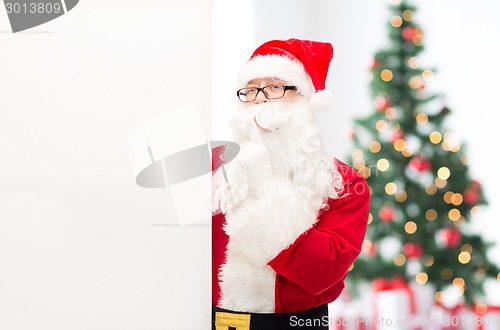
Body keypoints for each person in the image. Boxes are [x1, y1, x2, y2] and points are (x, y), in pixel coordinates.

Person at [212, 38, 370, 330]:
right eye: (250, 90)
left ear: (305, 100)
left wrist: (261, 191)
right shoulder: (214, 168)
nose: (259, 99)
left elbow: (322, 272)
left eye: (274, 87)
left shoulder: (344, 183)